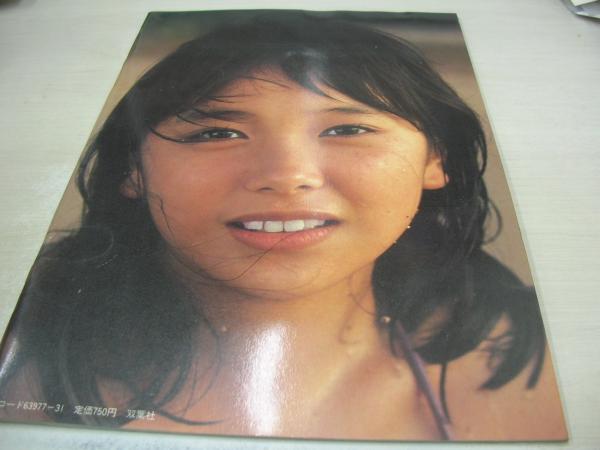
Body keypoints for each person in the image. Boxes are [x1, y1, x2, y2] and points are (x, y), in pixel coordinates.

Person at [0, 13, 565, 440]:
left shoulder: (521, 357)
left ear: (435, 160)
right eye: (216, 133)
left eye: (347, 130)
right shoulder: (21, 365)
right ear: (132, 170)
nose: (288, 176)